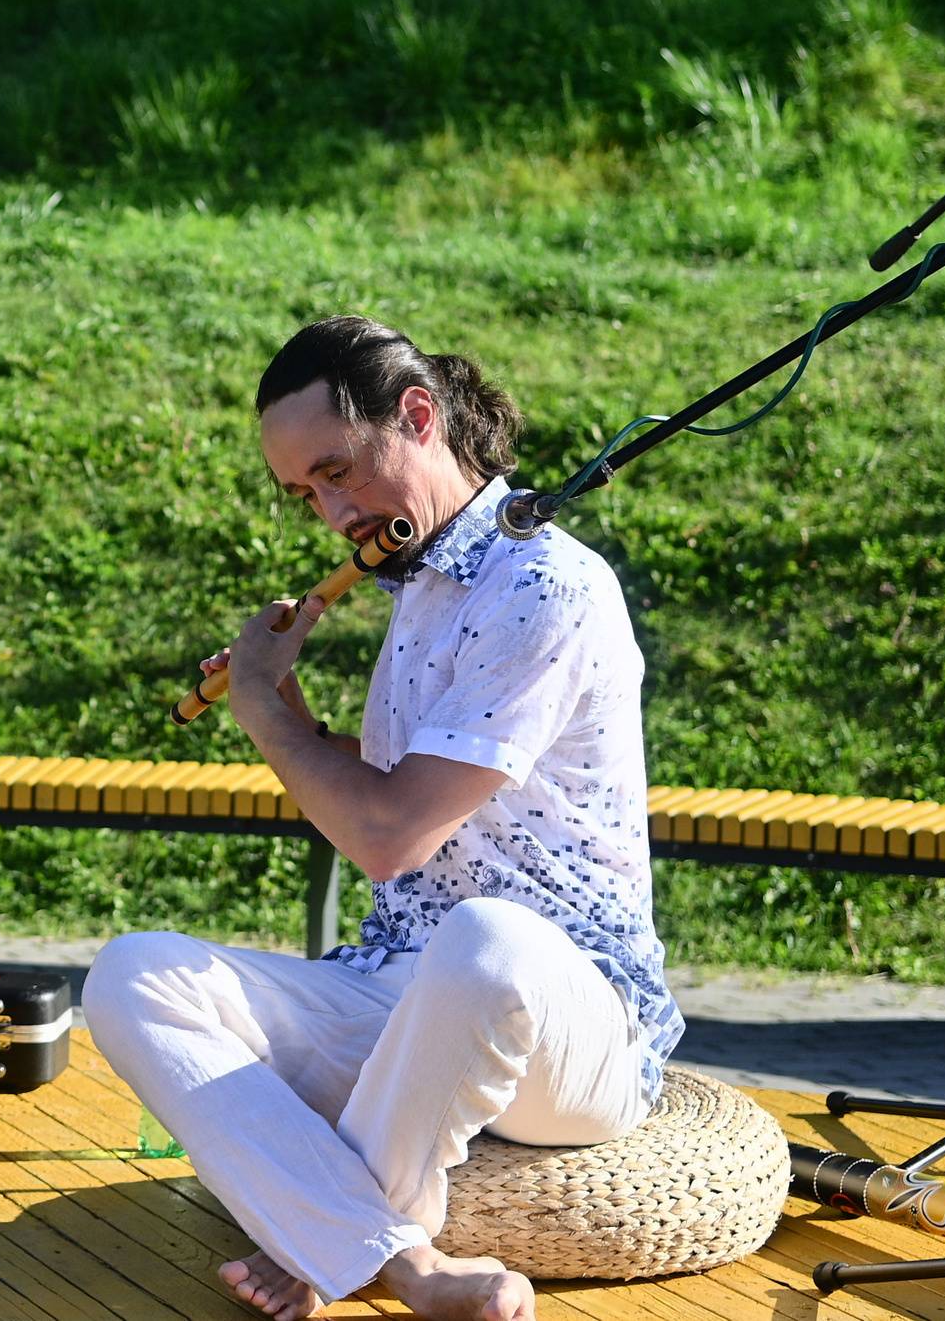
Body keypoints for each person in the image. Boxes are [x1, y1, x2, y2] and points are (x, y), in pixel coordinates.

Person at [82, 317, 680, 1321]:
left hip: (571, 1025)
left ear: (417, 417)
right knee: (132, 973)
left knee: (484, 942)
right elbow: (404, 802)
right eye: (305, 494)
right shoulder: (421, 584)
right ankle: (403, 1261)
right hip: (399, 992)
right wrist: (300, 723)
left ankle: (324, 1234)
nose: (331, 515)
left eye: (337, 472)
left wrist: (264, 710)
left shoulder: (547, 586)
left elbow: (391, 833)